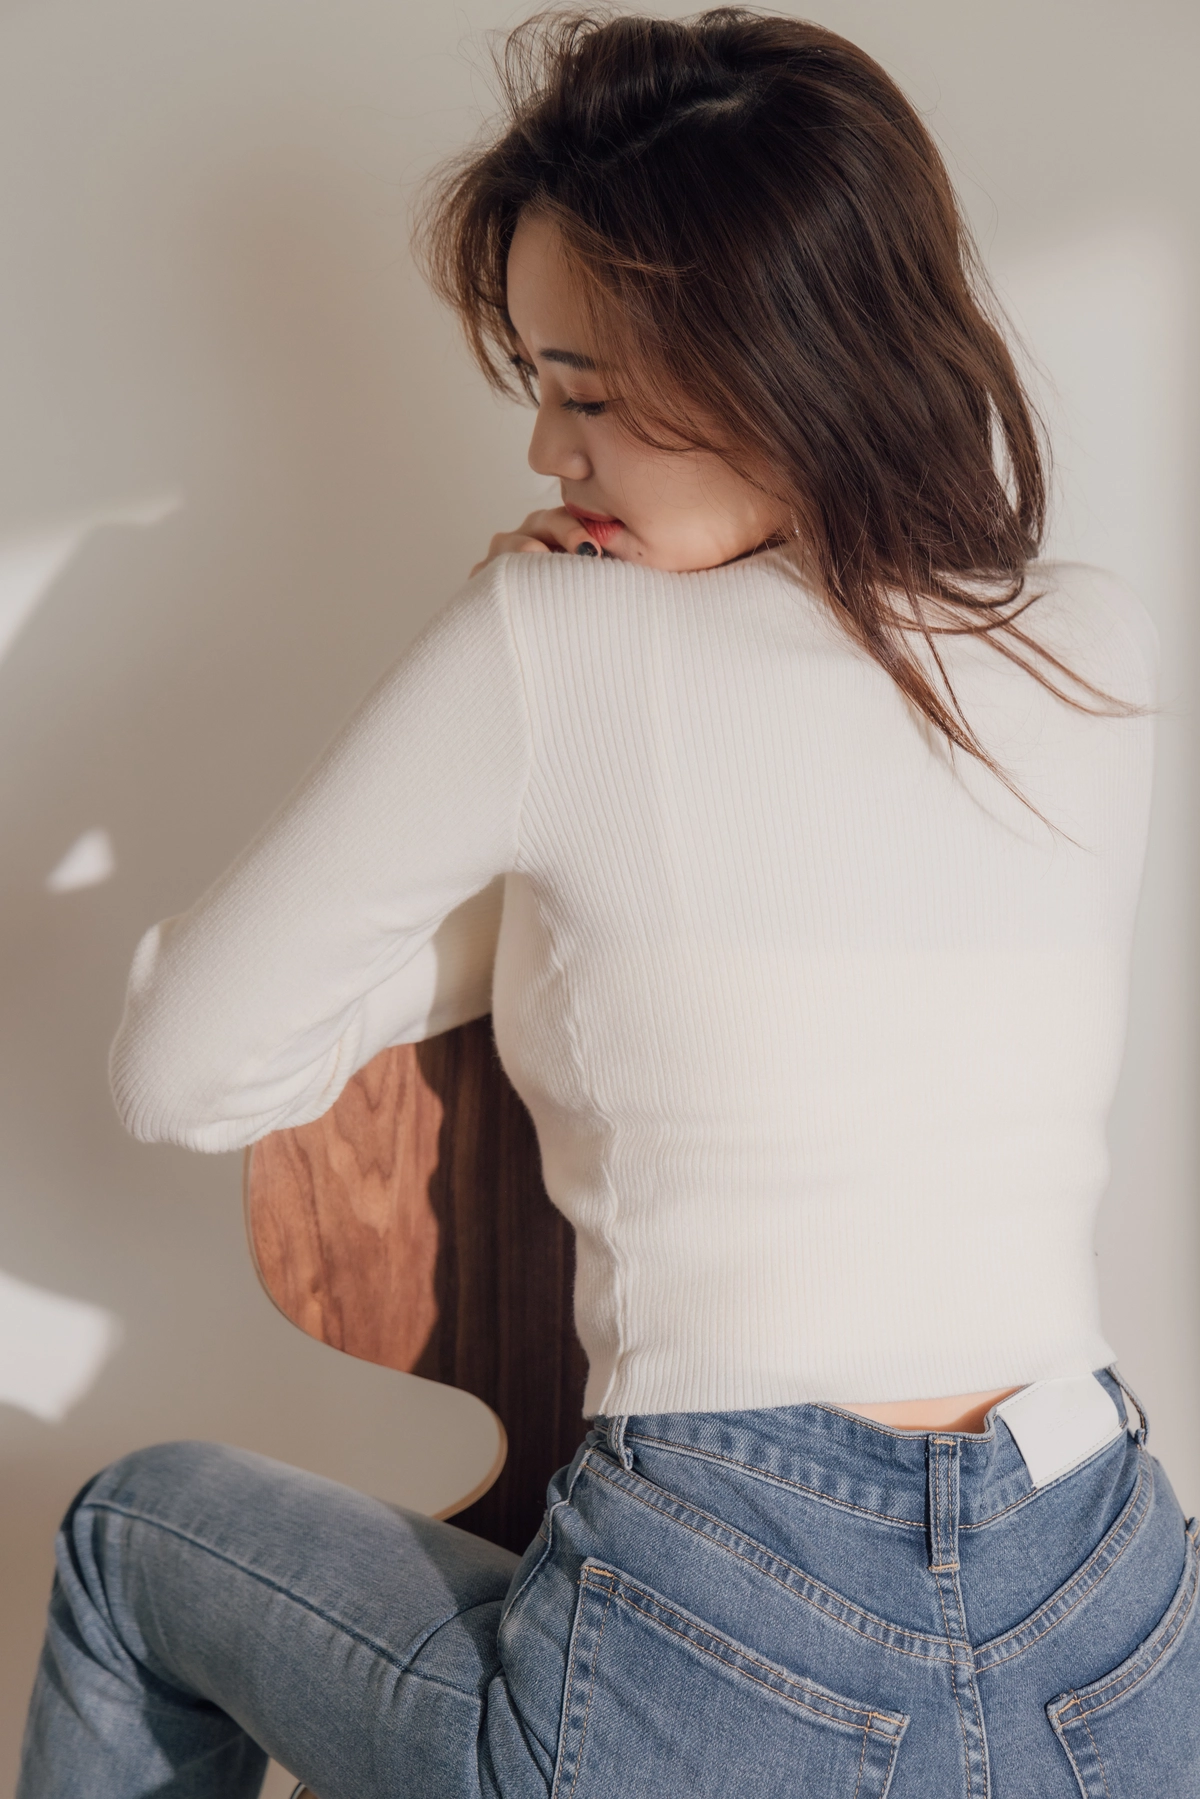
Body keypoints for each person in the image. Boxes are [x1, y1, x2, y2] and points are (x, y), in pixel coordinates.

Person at [18, 9, 1195, 1797]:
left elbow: (185, 1069)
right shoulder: (1096, 646)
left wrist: (500, 782)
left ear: (769, 365)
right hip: (1109, 1622)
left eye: (584, 391)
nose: (547, 455)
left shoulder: (554, 643)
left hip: (726, 1626)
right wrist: (544, 856)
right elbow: (694, 919)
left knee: (129, 1531)